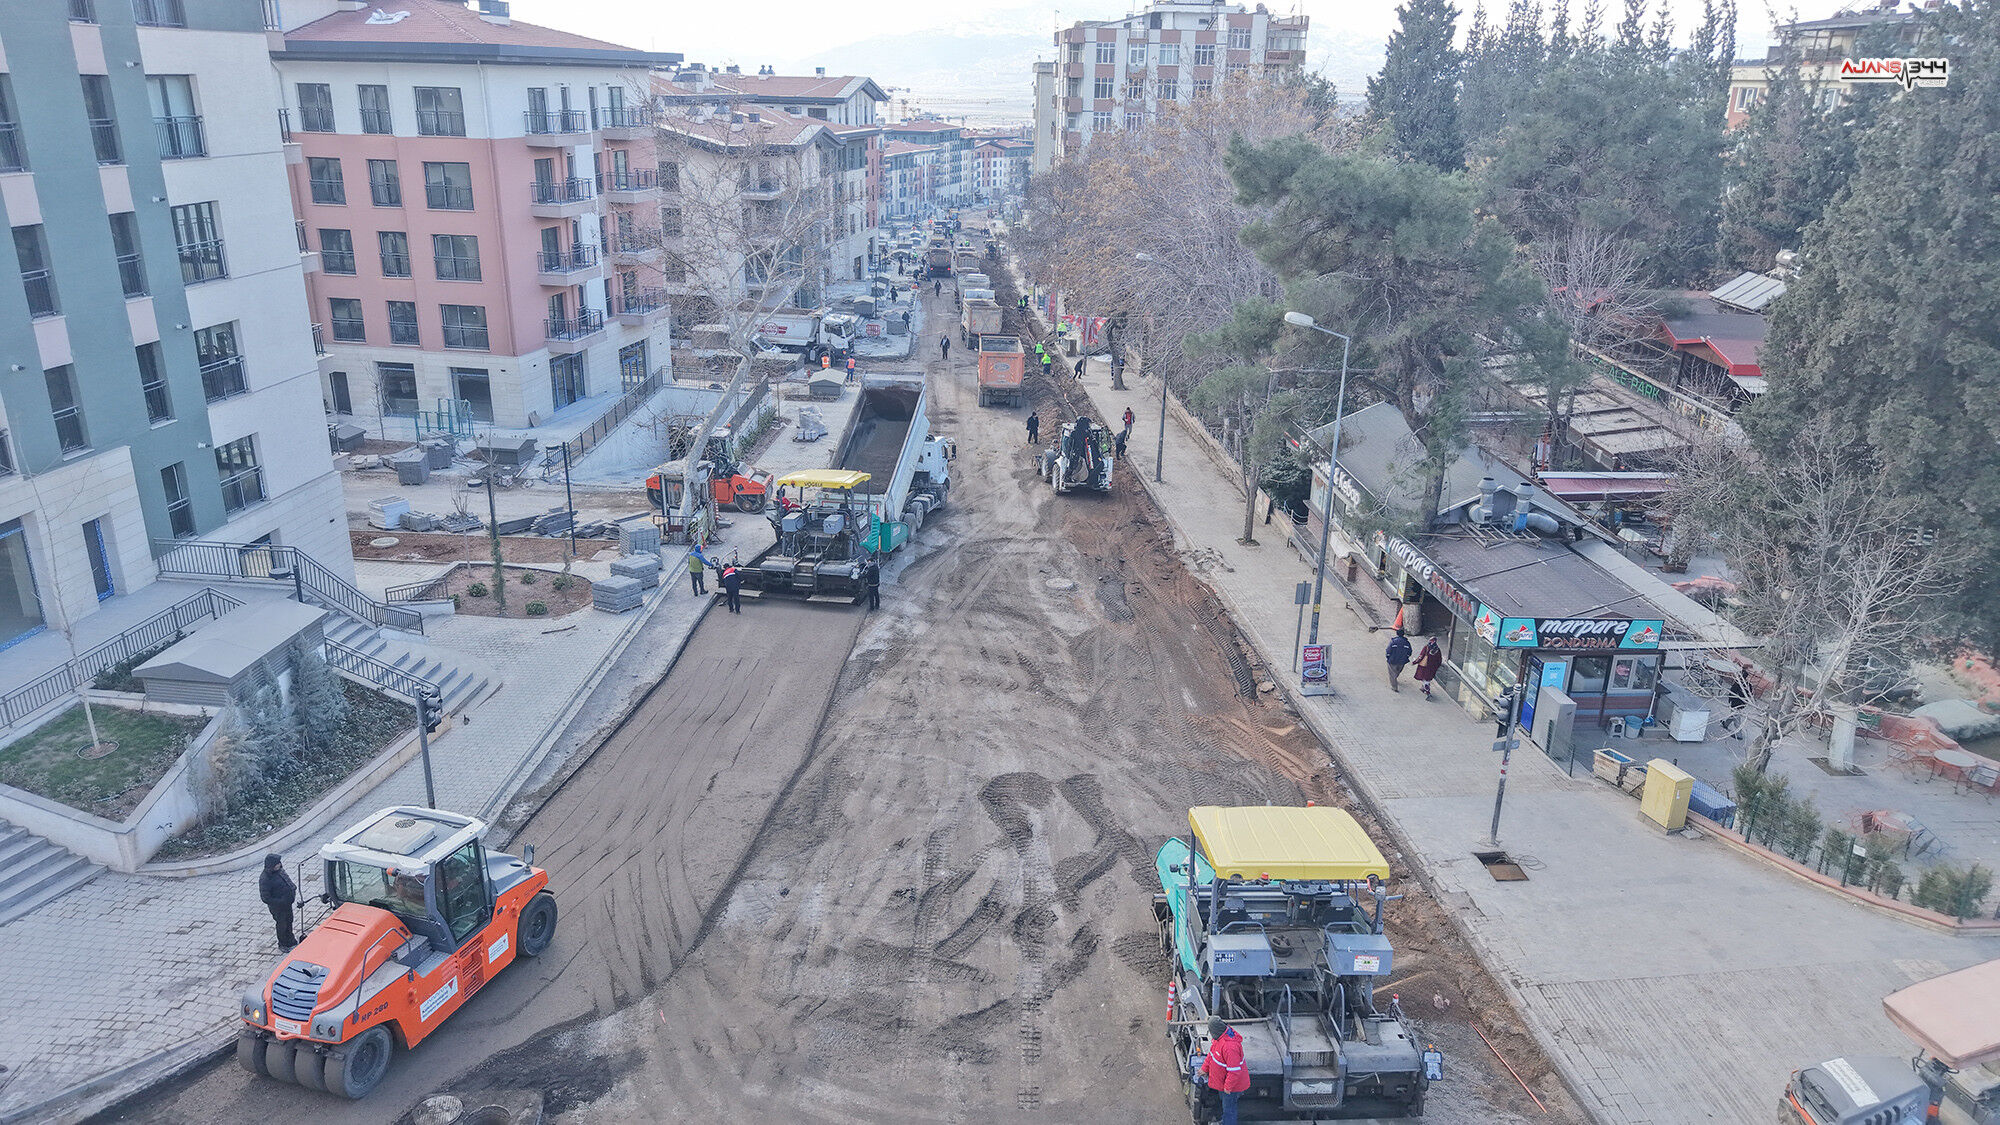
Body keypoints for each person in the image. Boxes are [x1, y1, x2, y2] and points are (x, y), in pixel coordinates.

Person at [1202, 1016, 1250, 1125]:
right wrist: (1204, 1068)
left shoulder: (1230, 1047)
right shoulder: (1220, 1040)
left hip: (1231, 1087)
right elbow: (1212, 1055)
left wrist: (1228, 1087)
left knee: (1229, 1111)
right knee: (1225, 1107)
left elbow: (1234, 1071)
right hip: (1223, 1084)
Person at [260, 853, 297, 949]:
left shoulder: (279, 871)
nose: (279, 865)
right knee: (282, 925)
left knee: (289, 921)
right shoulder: (265, 879)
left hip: (287, 903)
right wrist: (281, 901)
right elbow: (265, 898)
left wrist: (292, 889)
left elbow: (287, 881)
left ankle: (290, 940)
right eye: (277, 864)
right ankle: (282, 944)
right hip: (278, 907)